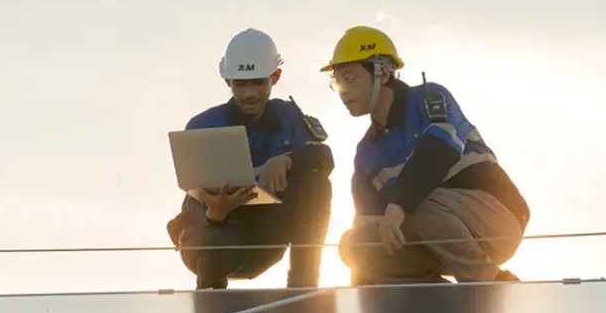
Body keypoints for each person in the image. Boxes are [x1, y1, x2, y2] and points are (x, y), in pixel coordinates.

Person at [323, 25, 530, 285]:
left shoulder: (428, 98)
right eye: (337, 81)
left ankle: (491, 283)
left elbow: (439, 148)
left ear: (383, 72)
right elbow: (367, 227)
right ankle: (434, 297)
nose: (343, 90)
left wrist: (398, 206)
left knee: (415, 200)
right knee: (354, 244)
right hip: (437, 239)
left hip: (497, 219)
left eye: (350, 78)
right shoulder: (366, 152)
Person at [167, 28, 334, 289]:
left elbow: (325, 159)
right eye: (241, 83)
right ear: (227, 82)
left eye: (258, 81)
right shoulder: (203, 125)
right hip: (217, 235)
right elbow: (192, 196)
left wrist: (287, 160)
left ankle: (303, 290)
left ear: (275, 77)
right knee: (206, 244)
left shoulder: (289, 116)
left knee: (317, 182)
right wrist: (215, 214)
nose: (250, 93)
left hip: (267, 234)